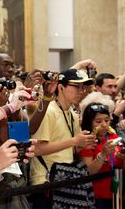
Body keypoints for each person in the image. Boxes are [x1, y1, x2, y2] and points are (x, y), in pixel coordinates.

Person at [29, 68, 97, 209]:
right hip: (46, 182)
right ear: (60, 87)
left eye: (84, 87)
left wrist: (83, 144)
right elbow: (35, 149)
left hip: (65, 178)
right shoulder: (48, 111)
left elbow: (69, 149)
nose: (81, 91)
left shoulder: (71, 113)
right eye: (77, 87)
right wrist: (74, 141)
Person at [78, 92, 125, 209]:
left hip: (118, 194)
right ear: (89, 123)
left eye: (107, 120)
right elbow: (88, 172)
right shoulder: (86, 141)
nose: (104, 125)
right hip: (96, 198)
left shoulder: (114, 137)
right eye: (98, 121)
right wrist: (103, 154)